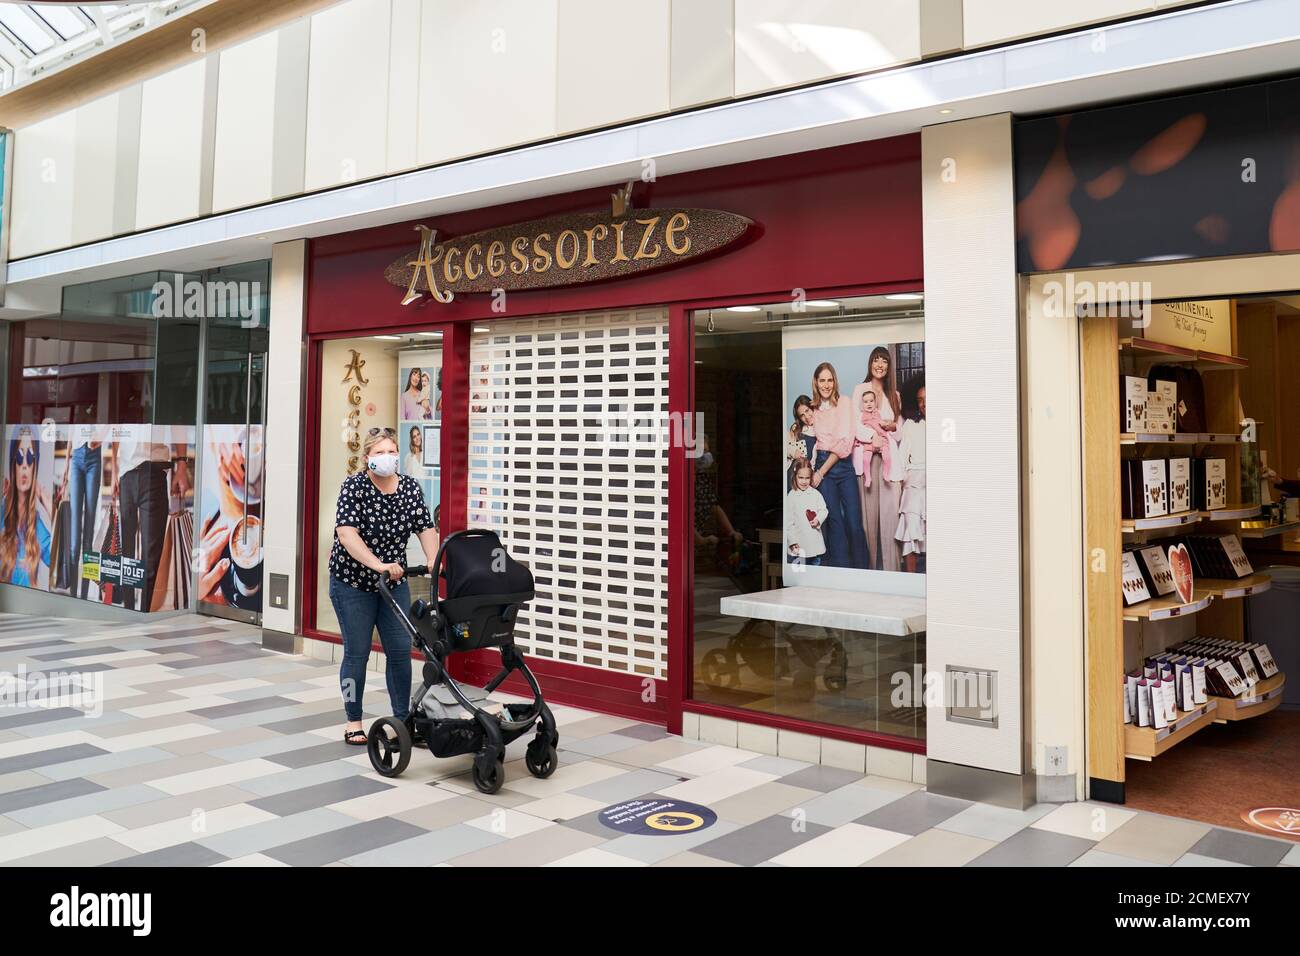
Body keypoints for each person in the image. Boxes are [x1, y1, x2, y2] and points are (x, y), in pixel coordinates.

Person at [329, 427, 438, 745]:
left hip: (394, 583)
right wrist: (378, 565)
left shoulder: (409, 488)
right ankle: (353, 720)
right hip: (352, 583)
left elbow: (425, 527)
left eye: (390, 451)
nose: (386, 457)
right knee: (357, 653)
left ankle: (403, 720)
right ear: (366, 458)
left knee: (401, 651)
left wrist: (433, 558)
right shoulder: (354, 486)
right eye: (378, 453)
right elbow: (347, 534)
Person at [809, 362, 869, 568]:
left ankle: (862, 573)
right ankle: (841, 574)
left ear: (835, 381)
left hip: (842, 466)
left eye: (830, 380)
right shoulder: (813, 409)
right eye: (822, 380)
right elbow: (813, 439)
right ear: (816, 383)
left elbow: (844, 442)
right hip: (822, 463)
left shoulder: (844, 402)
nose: (826, 385)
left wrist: (820, 472)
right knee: (834, 523)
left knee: (854, 523)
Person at [853, 347, 903, 571]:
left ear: (888, 366)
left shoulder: (894, 395)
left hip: (889, 459)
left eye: (884, 361)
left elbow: (899, 433)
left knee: (890, 519)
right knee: (868, 522)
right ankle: (871, 572)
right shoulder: (860, 389)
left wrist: (891, 427)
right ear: (870, 363)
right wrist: (872, 437)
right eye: (876, 360)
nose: (880, 364)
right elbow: (855, 422)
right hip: (867, 458)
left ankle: (892, 573)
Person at [0, 427, 53, 589]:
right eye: (19, 457)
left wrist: (48, 505)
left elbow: (62, 566)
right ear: (12, 464)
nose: (24, 466)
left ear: (34, 467)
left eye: (30, 457)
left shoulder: (36, 527)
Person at [894, 381, 926, 573]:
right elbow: (901, 461)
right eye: (920, 400)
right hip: (914, 483)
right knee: (910, 527)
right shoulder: (910, 426)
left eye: (928, 399)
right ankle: (910, 579)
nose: (924, 404)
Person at [785, 461, 828, 566]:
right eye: (801, 478)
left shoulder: (816, 494)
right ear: (795, 476)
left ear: (811, 477)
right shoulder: (791, 496)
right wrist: (792, 541)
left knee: (814, 574)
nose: (804, 481)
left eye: (807, 478)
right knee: (800, 574)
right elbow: (788, 522)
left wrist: (818, 519)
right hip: (799, 545)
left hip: (814, 545)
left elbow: (824, 510)